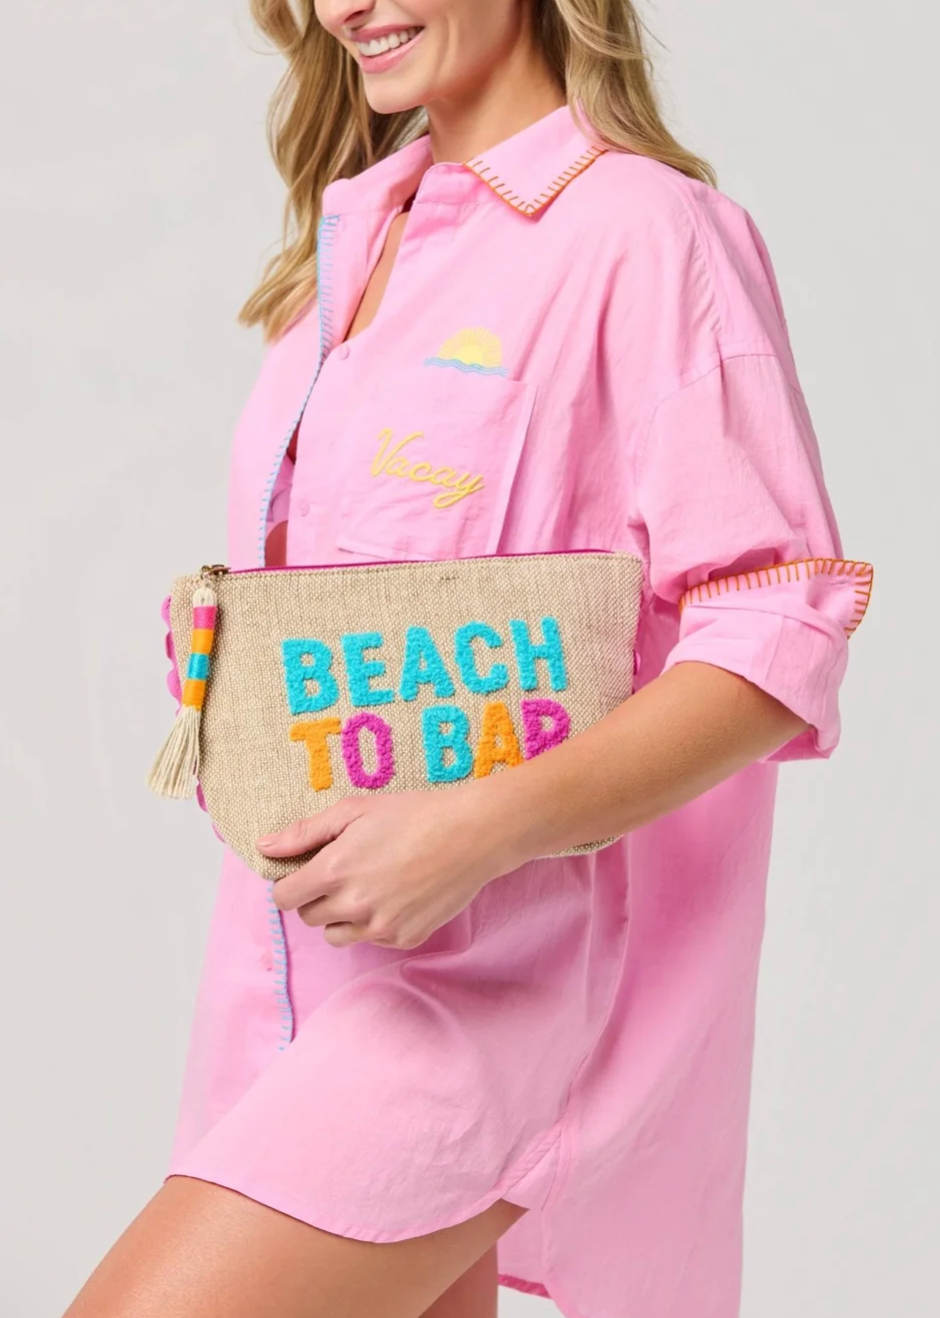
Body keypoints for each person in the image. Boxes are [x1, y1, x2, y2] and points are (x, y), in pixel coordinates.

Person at [64, 2, 875, 1316]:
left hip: (494, 987)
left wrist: (475, 830)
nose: (347, 6)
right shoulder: (348, 244)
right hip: (286, 976)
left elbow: (775, 627)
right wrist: (237, 668)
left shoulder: (645, 233)